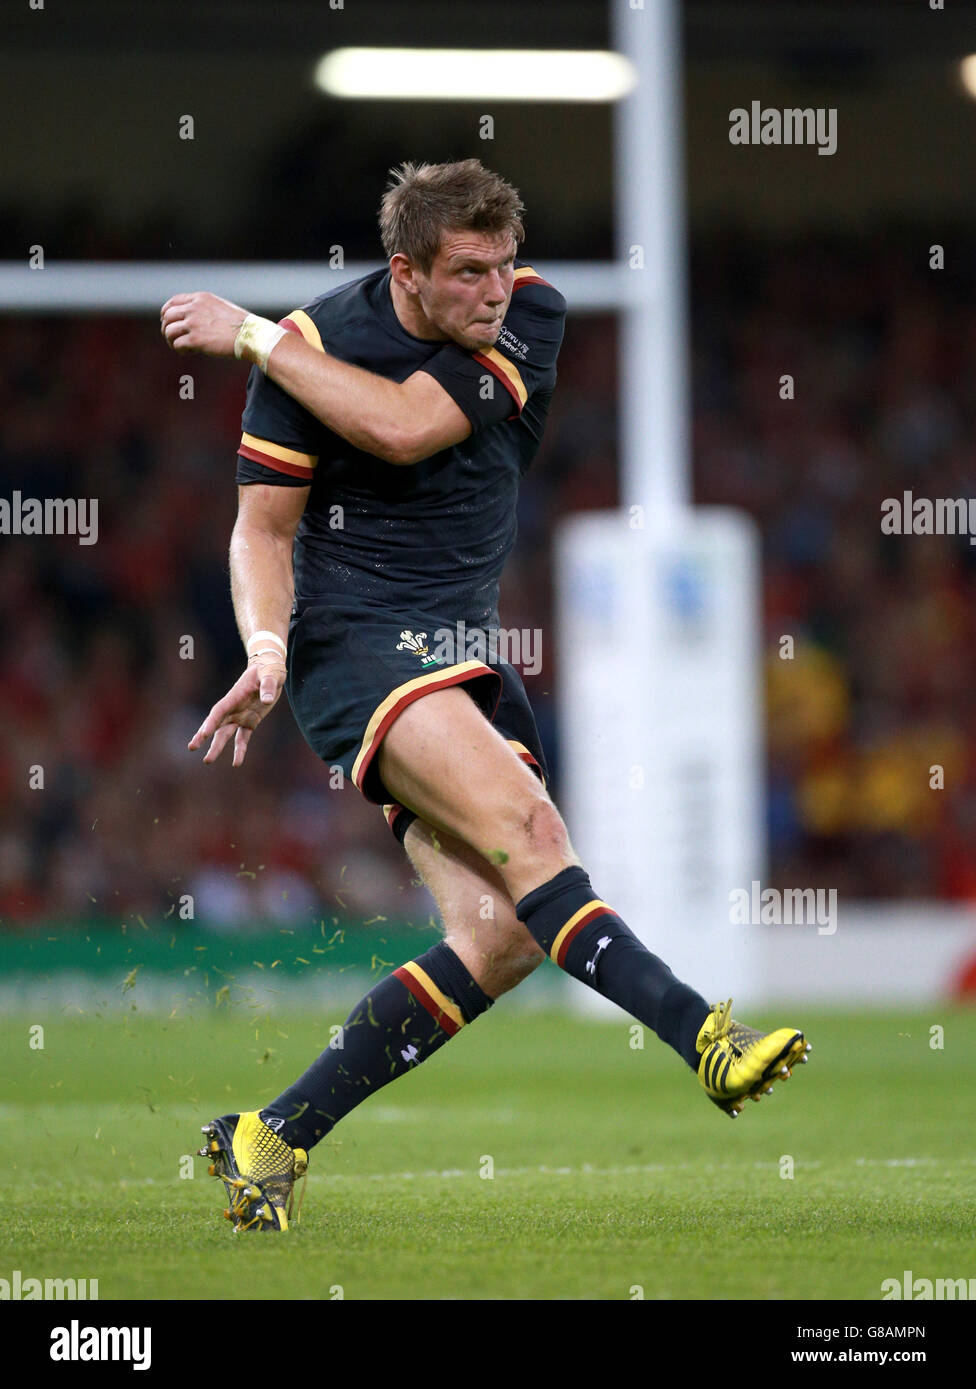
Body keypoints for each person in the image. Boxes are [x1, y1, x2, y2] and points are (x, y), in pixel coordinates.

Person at [160, 158, 810, 1233]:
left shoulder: (525, 318)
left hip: (463, 649)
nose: (494, 290)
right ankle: (707, 1036)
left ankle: (267, 1135)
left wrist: (253, 334)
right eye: (467, 274)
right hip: (354, 648)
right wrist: (266, 645)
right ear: (404, 271)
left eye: (502, 266)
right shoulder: (312, 348)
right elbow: (262, 530)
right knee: (530, 830)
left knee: (502, 934)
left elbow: (408, 428)